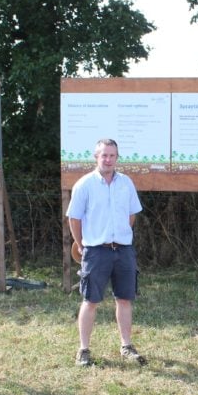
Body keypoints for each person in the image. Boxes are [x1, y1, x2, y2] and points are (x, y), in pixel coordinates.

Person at [67, 138, 146, 367]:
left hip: (123, 250)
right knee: (90, 300)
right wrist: (81, 244)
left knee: (124, 299)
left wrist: (119, 236)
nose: (108, 159)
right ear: (96, 157)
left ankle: (126, 345)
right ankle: (83, 349)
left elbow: (131, 215)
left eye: (112, 155)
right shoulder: (84, 184)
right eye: (104, 155)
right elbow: (74, 218)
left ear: (117, 158)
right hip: (96, 251)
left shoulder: (126, 183)